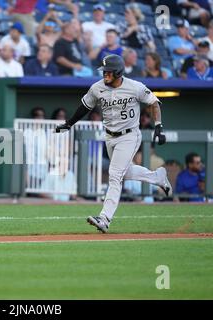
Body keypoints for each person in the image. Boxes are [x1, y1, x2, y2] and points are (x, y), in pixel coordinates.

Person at [55, 54, 172, 233]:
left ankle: (105, 218)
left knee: (115, 175)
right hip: (109, 136)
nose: (105, 75)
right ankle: (157, 178)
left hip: (129, 135)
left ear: (118, 72)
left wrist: (158, 127)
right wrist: (69, 123)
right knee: (123, 173)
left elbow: (154, 103)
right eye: (104, 71)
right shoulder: (97, 88)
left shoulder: (134, 87)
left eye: (108, 72)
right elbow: (85, 107)